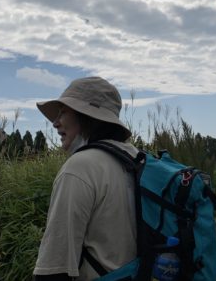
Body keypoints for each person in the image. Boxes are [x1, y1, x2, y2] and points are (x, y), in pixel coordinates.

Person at [33, 76, 138, 281]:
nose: (55, 123)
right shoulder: (137, 159)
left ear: (86, 116)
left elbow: (54, 269)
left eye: (63, 112)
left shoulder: (80, 167)